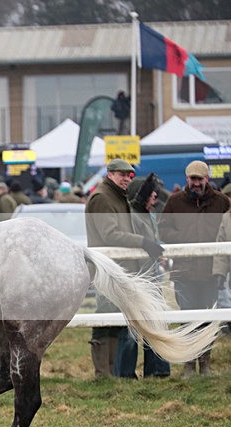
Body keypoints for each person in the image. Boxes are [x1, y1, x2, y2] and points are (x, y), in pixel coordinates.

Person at [85, 159, 163, 378]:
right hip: (108, 270)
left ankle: (114, 373)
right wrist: (143, 242)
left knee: (118, 321)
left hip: (119, 269)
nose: (127, 179)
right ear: (110, 174)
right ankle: (104, 374)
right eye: (122, 175)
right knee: (106, 320)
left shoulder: (117, 196)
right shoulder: (102, 198)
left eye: (129, 176)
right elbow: (109, 234)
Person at [158, 160, 229, 377]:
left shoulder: (221, 202)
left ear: (207, 179)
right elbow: (163, 228)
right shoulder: (175, 201)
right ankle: (189, 364)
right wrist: (183, 240)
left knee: (208, 319)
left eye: (200, 179)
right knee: (187, 318)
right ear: (186, 179)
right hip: (184, 271)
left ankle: (205, 363)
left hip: (210, 271)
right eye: (192, 179)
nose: (196, 183)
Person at [125, 173, 170, 378]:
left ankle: (157, 370)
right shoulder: (133, 216)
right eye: (151, 193)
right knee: (133, 328)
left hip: (152, 275)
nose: (155, 197)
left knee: (156, 322)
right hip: (138, 276)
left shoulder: (149, 215)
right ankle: (128, 372)